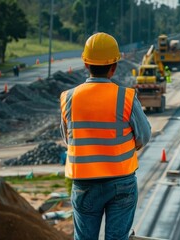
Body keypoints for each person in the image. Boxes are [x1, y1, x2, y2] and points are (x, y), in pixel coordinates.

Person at [59, 32, 151, 240]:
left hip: (84, 183)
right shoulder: (125, 97)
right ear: (114, 67)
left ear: (85, 64)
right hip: (121, 182)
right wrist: (123, 148)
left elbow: (69, 139)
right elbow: (144, 135)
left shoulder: (68, 98)